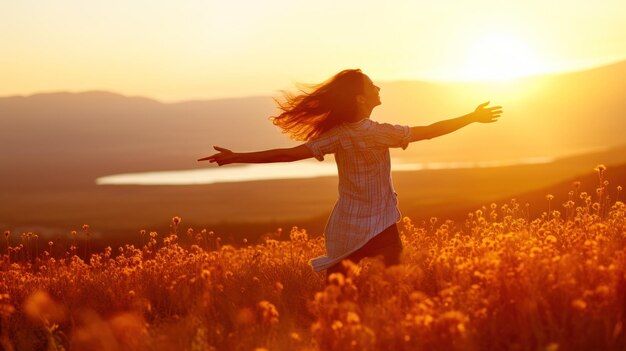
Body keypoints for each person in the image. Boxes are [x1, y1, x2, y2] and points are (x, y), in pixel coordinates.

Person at [198, 69, 502, 278]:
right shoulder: (382, 133)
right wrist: (472, 118)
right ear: (360, 98)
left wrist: (237, 157)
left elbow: (287, 155)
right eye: (372, 86)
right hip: (377, 224)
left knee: (343, 298)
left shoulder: (339, 135)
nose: (378, 88)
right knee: (390, 292)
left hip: (353, 226)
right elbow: (431, 132)